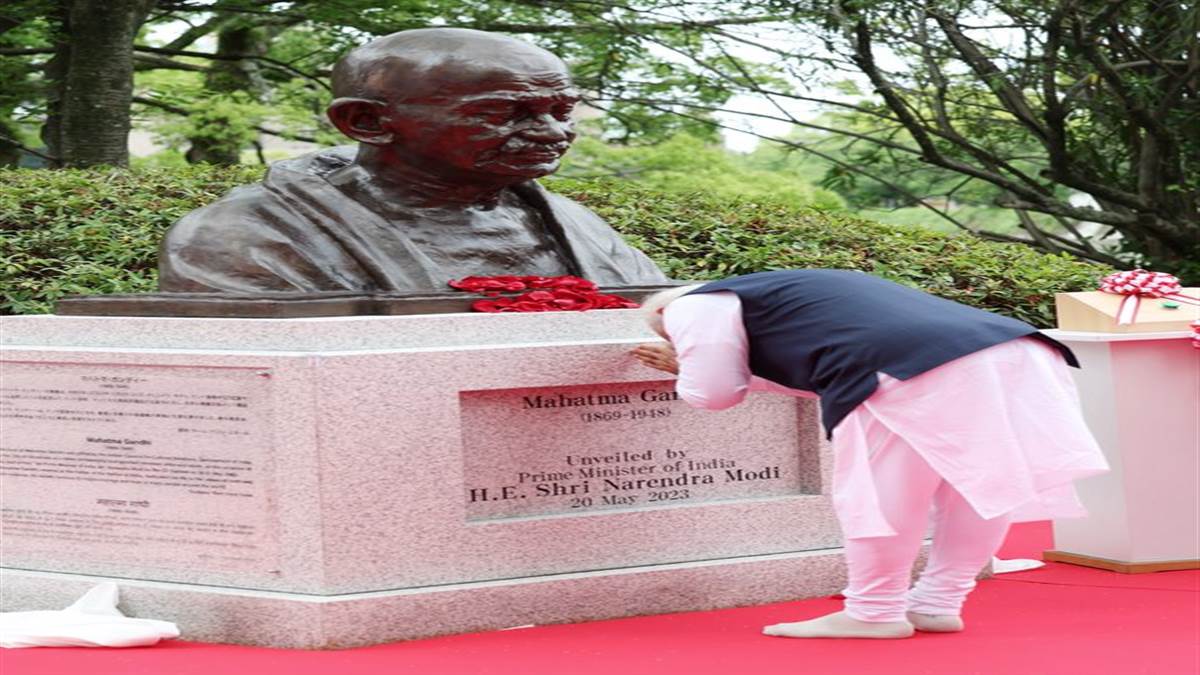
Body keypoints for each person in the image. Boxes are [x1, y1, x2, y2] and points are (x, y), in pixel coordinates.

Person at [632, 269, 1108, 639]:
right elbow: (816, 376)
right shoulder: (797, 292)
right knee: (979, 484)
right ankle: (939, 602)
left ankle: (874, 611)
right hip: (1014, 348)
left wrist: (684, 368)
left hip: (910, 366)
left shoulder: (689, 305)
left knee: (881, 494)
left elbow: (714, 392)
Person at [158, 28, 667, 293]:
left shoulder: (580, 228)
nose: (552, 132)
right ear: (366, 122)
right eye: (502, 112)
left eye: (560, 109)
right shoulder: (245, 238)